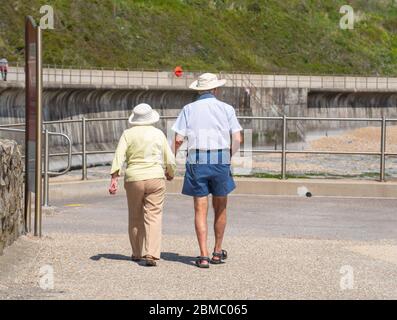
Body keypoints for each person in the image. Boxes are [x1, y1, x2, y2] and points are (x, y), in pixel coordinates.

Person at [172, 73, 243, 268]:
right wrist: (228, 156)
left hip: (197, 160)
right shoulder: (227, 108)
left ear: (199, 90)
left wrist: (171, 159)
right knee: (220, 207)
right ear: (215, 89)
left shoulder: (188, 109)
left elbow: (178, 139)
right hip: (220, 158)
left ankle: (203, 255)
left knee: (200, 209)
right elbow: (237, 139)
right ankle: (217, 252)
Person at [109, 103, 176, 267]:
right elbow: (169, 158)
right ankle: (151, 254)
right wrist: (170, 172)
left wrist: (114, 178)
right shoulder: (158, 133)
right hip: (155, 176)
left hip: (134, 178)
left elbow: (119, 156)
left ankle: (137, 252)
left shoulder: (127, 134)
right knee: (153, 216)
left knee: (135, 216)